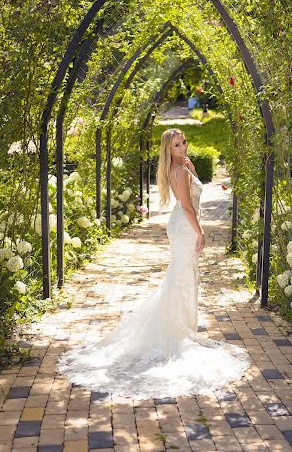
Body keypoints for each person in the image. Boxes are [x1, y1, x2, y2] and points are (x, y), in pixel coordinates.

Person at [57, 128, 250, 398]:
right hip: (185, 227)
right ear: (168, 150)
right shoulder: (179, 171)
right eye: (176, 146)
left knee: (183, 278)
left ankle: (182, 328)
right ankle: (176, 332)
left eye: (183, 142)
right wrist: (201, 232)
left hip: (183, 225)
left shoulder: (182, 167)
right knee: (182, 278)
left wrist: (191, 168)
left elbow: (189, 198)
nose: (182, 147)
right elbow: (187, 207)